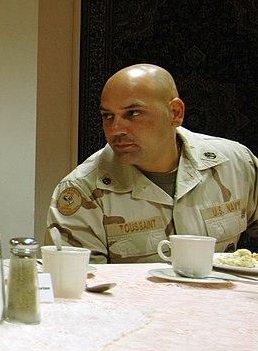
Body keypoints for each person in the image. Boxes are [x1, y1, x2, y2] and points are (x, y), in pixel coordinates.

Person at [46, 63, 258, 263]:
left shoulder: (236, 163)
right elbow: (77, 288)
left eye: (133, 113)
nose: (116, 129)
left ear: (175, 113)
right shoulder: (83, 190)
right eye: (108, 116)